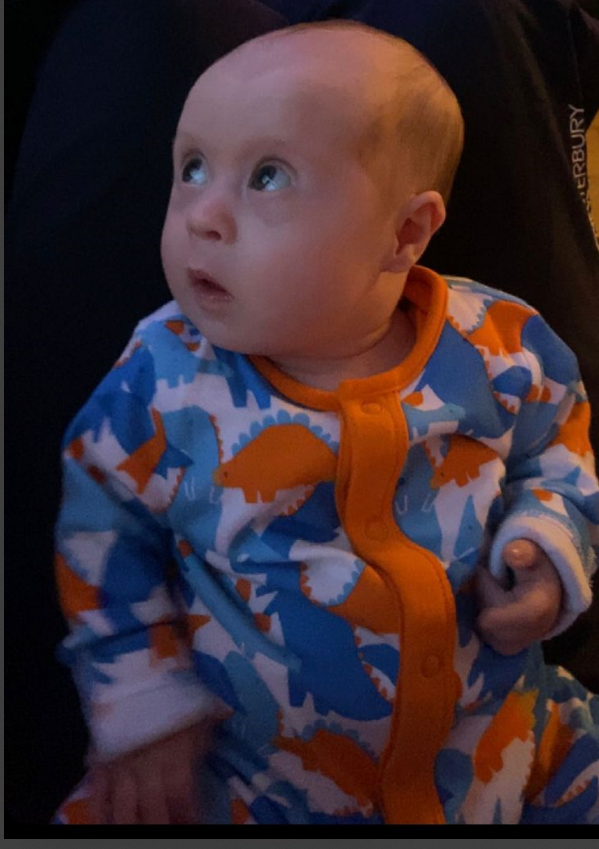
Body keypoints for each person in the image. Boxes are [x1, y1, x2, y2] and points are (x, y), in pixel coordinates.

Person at [53, 22, 598, 825]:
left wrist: (547, 544)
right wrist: (141, 704)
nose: (202, 214)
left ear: (405, 232)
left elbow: (561, 452)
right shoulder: (162, 375)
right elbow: (99, 531)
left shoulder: (500, 343)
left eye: (267, 176)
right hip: (254, 779)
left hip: (511, 748)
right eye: (191, 167)